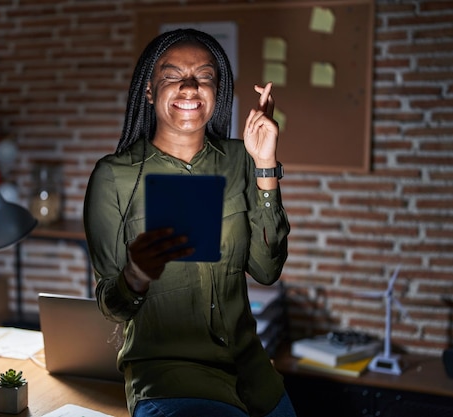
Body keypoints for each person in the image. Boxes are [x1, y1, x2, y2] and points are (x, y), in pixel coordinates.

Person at [83, 28, 295, 417]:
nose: (190, 86)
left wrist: (266, 165)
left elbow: (267, 270)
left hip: (254, 376)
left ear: (218, 92)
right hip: (170, 378)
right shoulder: (114, 177)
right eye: (172, 75)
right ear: (148, 90)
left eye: (204, 76)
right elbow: (112, 306)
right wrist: (135, 276)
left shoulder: (240, 160)